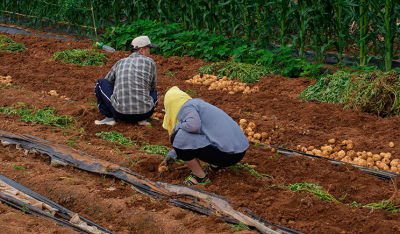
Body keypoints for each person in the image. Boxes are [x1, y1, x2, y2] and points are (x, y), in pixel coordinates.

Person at [159, 86, 249, 185]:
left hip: (227, 155)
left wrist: (177, 126)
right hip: (239, 152)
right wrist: (173, 154)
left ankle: (200, 177)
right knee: (187, 133)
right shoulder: (198, 105)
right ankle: (216, 165)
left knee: (178, 135)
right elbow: (196, 134)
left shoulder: (185, 108)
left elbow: (193, 127)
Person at [94, 36, 159, 126]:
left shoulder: (120, 62)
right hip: (145, 112)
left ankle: (109, 118)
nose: (150, 53)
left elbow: (108, 81)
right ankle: (142, 119)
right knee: (154, 92)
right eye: (149, 50)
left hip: (120, 113)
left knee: (100, 83)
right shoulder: (150, 62)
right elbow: (152, 87)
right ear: (141, 50)